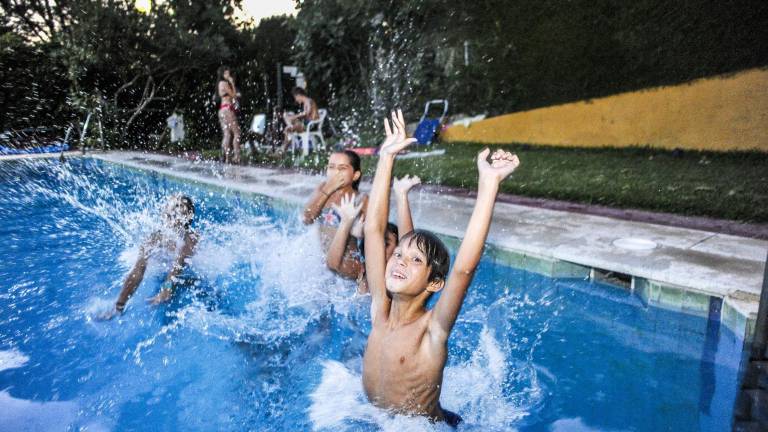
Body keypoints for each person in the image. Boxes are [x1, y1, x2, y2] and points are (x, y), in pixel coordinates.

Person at [361, 109, 520, 426]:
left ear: (434, 283)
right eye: (400, 254)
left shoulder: (432, 331)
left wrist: (488, 185)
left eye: (415, 260)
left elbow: (462, 270)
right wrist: (386, 158)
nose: (400, 260)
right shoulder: (380, 309)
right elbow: (373, 232)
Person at [99, 194, 199, 320]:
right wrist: (119, 305)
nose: (174, 208)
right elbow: (137, 271)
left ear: (188, 216)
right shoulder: (153, 239)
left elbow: (179, 263)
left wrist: (166, 289)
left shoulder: (191, 237)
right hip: (165, 279)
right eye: (172, 206)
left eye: (180, 206)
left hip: (191, 280)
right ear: (164, 213)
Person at [327, 175, 420, 294]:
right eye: (371, 242)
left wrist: (401, 196)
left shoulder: (395, 280)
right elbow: (334, 264)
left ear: (397, 253)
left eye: (385, 243)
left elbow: (408, 245)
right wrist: (345, 224)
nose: (376, 246)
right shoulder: (361, 270)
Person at [303, 150, 368, 281]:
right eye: (331, 167)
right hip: (325, 267)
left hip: (346, 270)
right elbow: (307, 218)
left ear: (355, 175)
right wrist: (328, 189)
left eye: (342, 168)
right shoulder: (323, 189)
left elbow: (370, 238)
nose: (335, 172)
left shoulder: (361, 199)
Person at [282, 87, 319, 153]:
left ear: (298, 95)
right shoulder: (306, 102)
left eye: (295, 98)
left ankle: (283, 152)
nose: (296, 100)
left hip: (309, 126)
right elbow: (305, 115)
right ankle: (285, 148)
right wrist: (293, 117)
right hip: (305, 124)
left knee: (287, 130)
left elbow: (306, 113)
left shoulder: (308, 101)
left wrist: (294, 117)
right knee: (286, 115)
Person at [217, 66, 241, 164]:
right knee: (237, 133)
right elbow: (233, 95)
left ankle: (226, 157)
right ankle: (236, 157)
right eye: (226, 73)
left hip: (222, 110)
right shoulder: (225, 83)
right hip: (228, 109)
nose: (228, 75)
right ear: (222, 75)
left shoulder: (219, 84)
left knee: (227, 134)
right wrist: (232, 83)